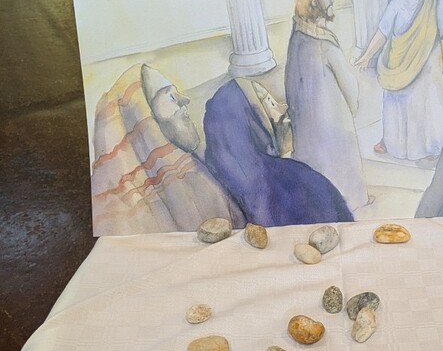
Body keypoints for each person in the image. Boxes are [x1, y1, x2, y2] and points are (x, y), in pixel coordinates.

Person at [90, 64, 243, 235]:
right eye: (170, 96)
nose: (185, 100)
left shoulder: (201, 174)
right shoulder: (117, 212)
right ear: (144, 115)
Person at [355, 0, 443, 162]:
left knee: (426, 98)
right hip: (399, 57)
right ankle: (392, 141)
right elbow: (384, 29)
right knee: (395, 99)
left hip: (427, 58)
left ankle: (432, 146)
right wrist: (367, 55)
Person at [203, 77, 354, 227]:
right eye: (271, 103)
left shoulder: (219, 181)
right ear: (252, 121)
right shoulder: (299, 180)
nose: (284, 108)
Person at [284, 0, 369, 212]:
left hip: (306, 129)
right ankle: (351, 201)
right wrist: (351, 108)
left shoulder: (296, 40)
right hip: (333, 124)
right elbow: (349, 87)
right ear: (315, 4)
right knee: (341, 170)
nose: (331, 1)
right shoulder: (324, 44)